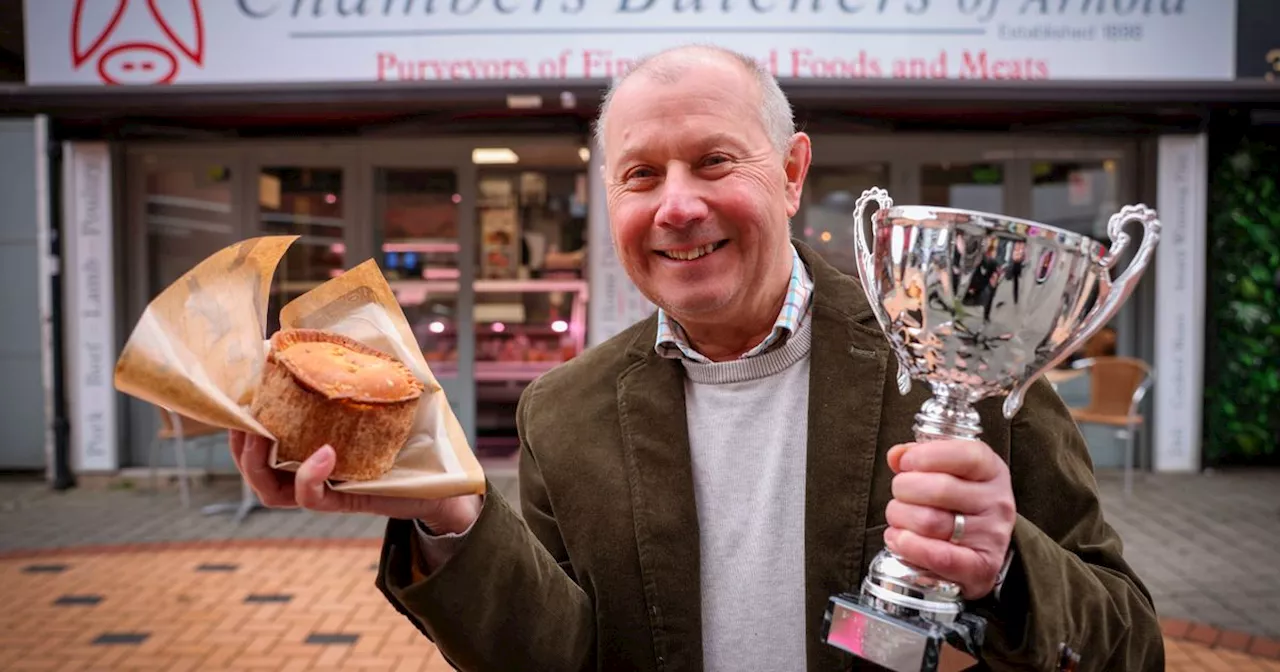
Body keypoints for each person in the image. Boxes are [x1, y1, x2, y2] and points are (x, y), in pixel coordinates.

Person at [229, 44, 1164, 672]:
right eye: (642, 175)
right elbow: (564, 658)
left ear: (793, 173)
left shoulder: (968, 366)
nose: (677, 205)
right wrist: (446, 507)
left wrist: (1006, 568)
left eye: (715, 162)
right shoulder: (566, 410)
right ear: (612, 201)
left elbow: (1133, 646)